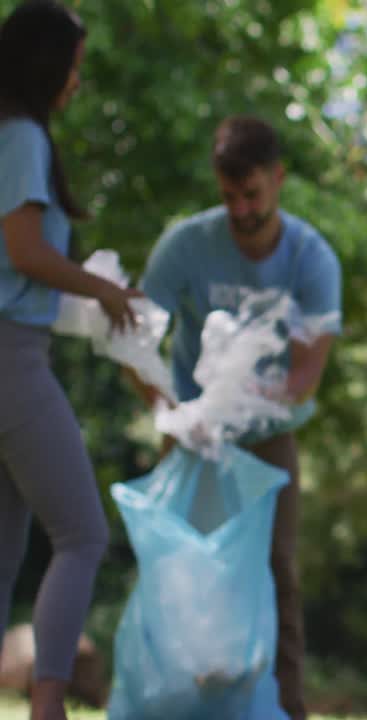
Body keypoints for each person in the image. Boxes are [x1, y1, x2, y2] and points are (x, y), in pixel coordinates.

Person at [134, 115, 342, 720]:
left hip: (269, 438)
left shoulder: (311, 258)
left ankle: (286, 706)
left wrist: (257, 399)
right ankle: (184, 703)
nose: (242, 210)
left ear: (277, 179)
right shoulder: (187, 245)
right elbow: (135, 342)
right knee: (188, 568)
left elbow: (308, 369)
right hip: (193, 438)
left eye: (252, 194)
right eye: (229, 197)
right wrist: (169, 413)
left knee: (277, 568)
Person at [0, 4, 140, 719]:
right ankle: (47, 706)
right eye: (72, 65)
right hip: (12, 360)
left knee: (6, 543)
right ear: (43, 65)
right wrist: (101, 288)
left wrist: (89, 288)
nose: (77, 80)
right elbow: (25, 252)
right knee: (82, 533)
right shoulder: (20, 134)